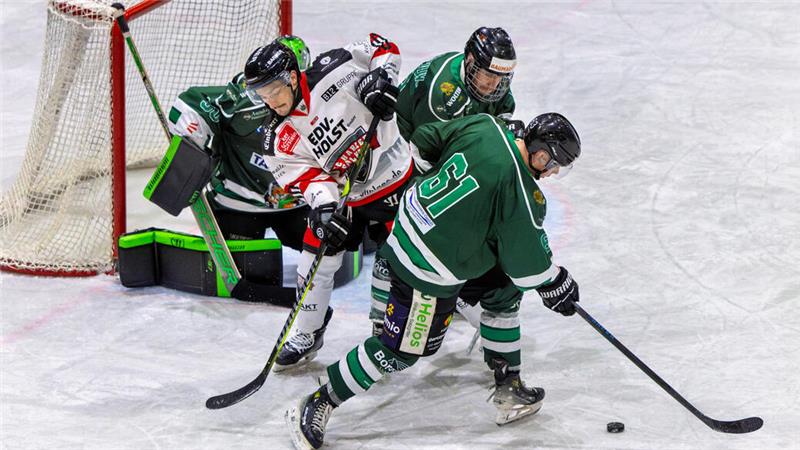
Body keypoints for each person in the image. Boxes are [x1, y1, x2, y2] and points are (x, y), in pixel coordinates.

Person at [285, 112, 582, 449]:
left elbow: (424, 140)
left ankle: (508, 385)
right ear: (542, 154)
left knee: (504, 289)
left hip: (407, 227)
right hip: (427, 270)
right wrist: (556, 283)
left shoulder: (484, 125)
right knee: (401, 353)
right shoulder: (522, 194)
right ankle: (320, 400)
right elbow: (527, 265)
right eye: (555, 164)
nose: (554, 172)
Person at [244, 34, 414, 370]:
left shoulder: (337, 65)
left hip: (393, 179)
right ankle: (308, 332)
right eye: (262, 96)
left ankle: (443, 317)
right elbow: (308, 179)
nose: (270, 103)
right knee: (314, 260)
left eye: (274, 91)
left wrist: (381, 79)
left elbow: (384, 47)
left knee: (413, 258)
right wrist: (324, 208)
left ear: (292, 77)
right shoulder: (276, 138)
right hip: (346, 197)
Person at [368, 26, 524, 354]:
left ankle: (460, 294)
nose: (493, 85)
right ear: (469, 62)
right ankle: (381, 318)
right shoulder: (445, 94)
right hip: (398, 154)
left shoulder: (496, 90)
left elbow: (494, 131)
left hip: (435, 149)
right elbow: (428, 150)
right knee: (401, 236)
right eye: (486, 76)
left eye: (499, 78)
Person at [167, 35, 313, 249]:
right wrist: (193, 143)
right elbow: (194, 103)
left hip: (296, 205)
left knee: (328, 251)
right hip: (239, 205)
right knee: (252, 270)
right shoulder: (243, 103)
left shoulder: (316, 101)